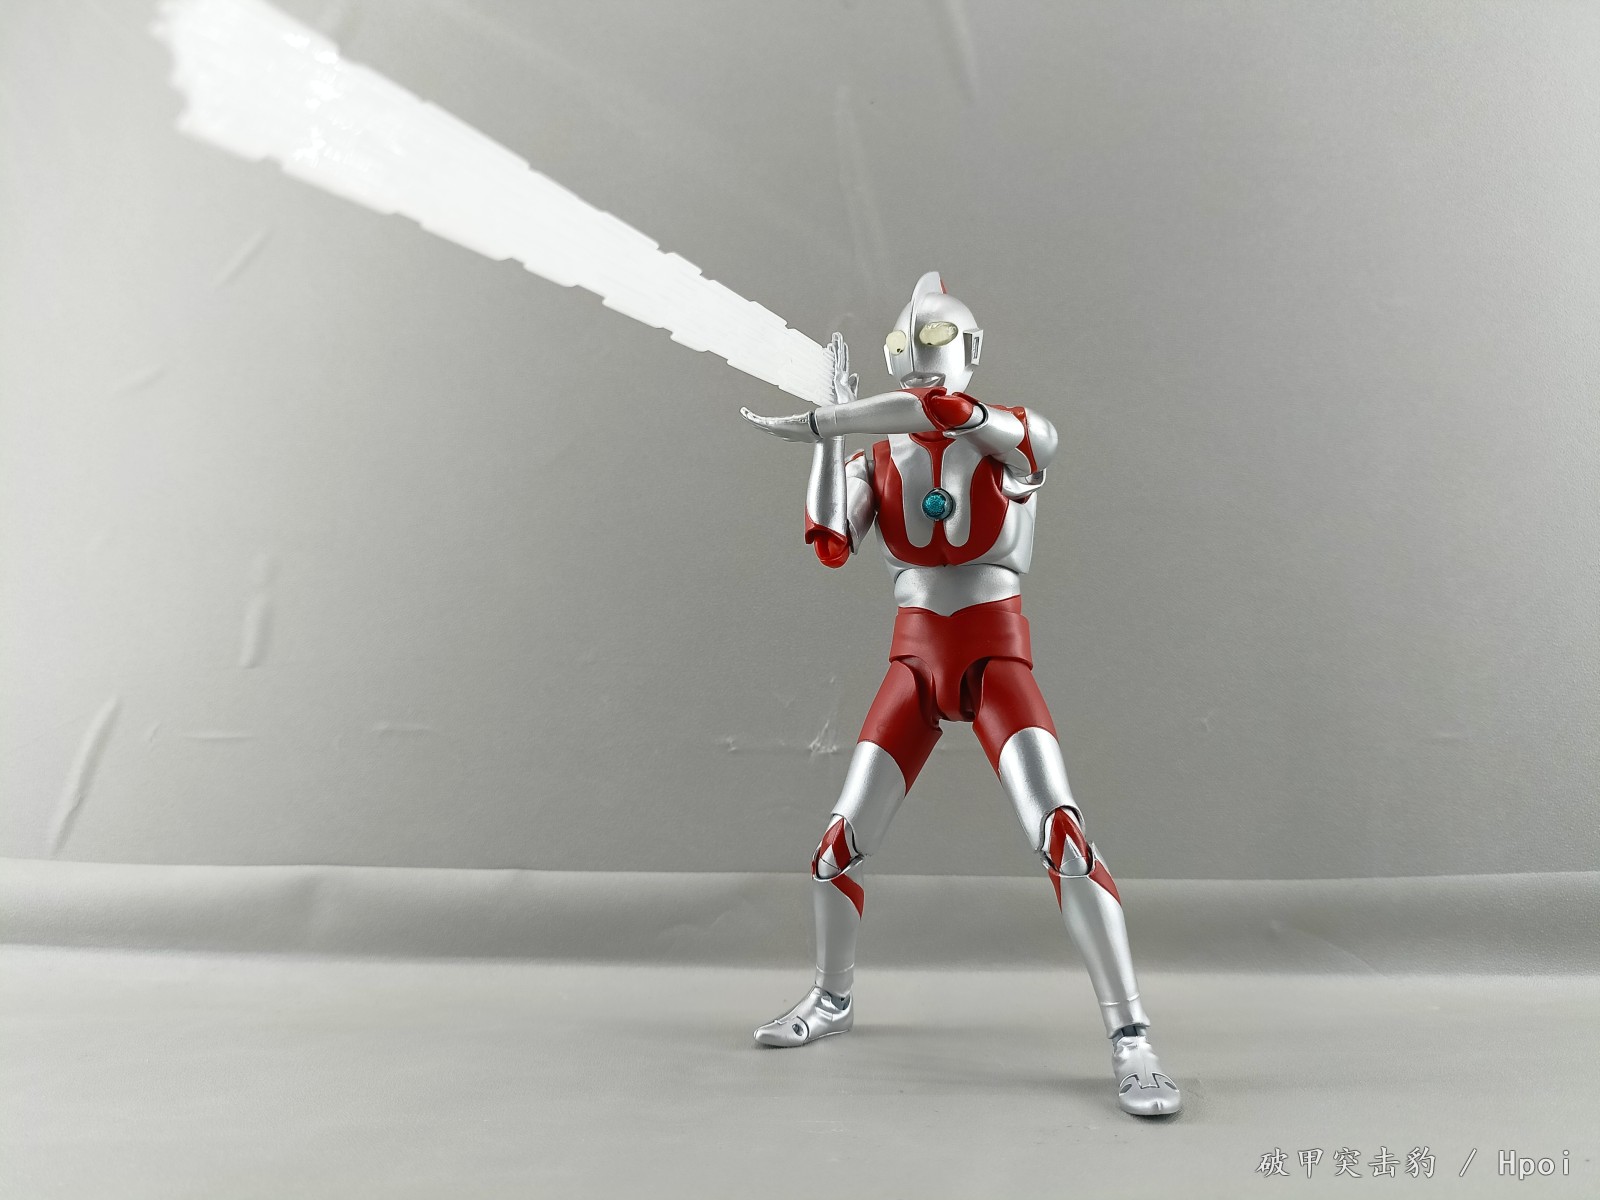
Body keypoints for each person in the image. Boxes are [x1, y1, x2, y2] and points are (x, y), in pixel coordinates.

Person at [738, 272, 1181, 1116]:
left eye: (936, 340)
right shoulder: (876, 455)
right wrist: (832, 433)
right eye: (901, 346)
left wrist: (829, 422)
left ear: (972, 348)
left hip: (993, 656)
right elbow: (830, 542)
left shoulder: (1014, 436)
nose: (917, 358)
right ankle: (830, 997)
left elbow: (953, 415)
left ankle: (1132, 1037)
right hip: (913, 661)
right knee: (836, 849)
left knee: (1063, 836)